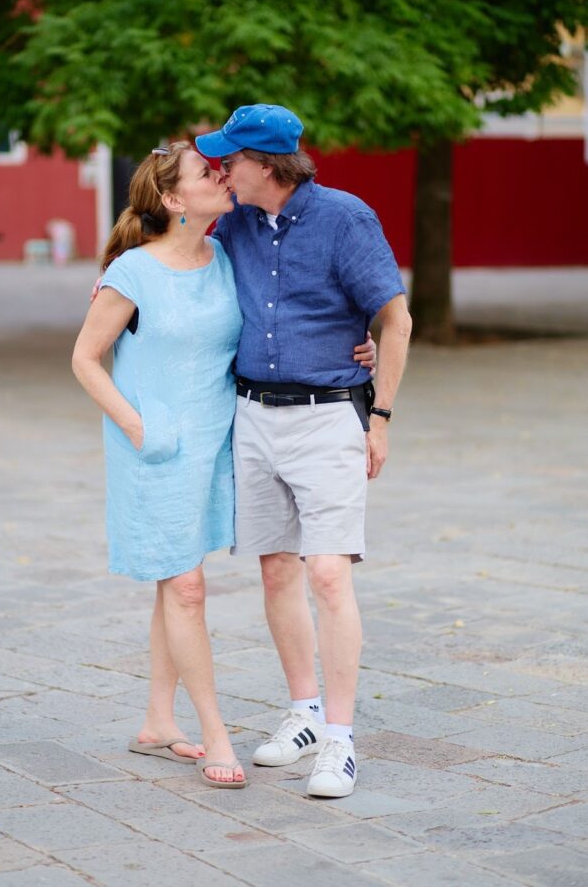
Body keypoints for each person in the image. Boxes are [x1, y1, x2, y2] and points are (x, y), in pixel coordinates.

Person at [195, 103, 412, 798]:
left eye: (232, 158)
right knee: (276, 571)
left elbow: (395, 317)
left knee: (327, 573)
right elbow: (170, 233)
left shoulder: (345, 218)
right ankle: (306, 712)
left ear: (268, 164)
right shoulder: (235, 221)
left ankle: (342, 741)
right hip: (254, 414)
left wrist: (380, 417)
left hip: (328, 418)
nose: (222, 167)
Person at [72, 142, 248, 788]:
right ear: (174, 200)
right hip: (154, 449)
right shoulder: (132, 273)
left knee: (177, 581)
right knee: (187, 586)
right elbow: (85, 358)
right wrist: (139, 427)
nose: (221, 176)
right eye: (207, 173)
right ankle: (215, 732)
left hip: (211, 445)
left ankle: (156, 721)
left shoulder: (225, 257)